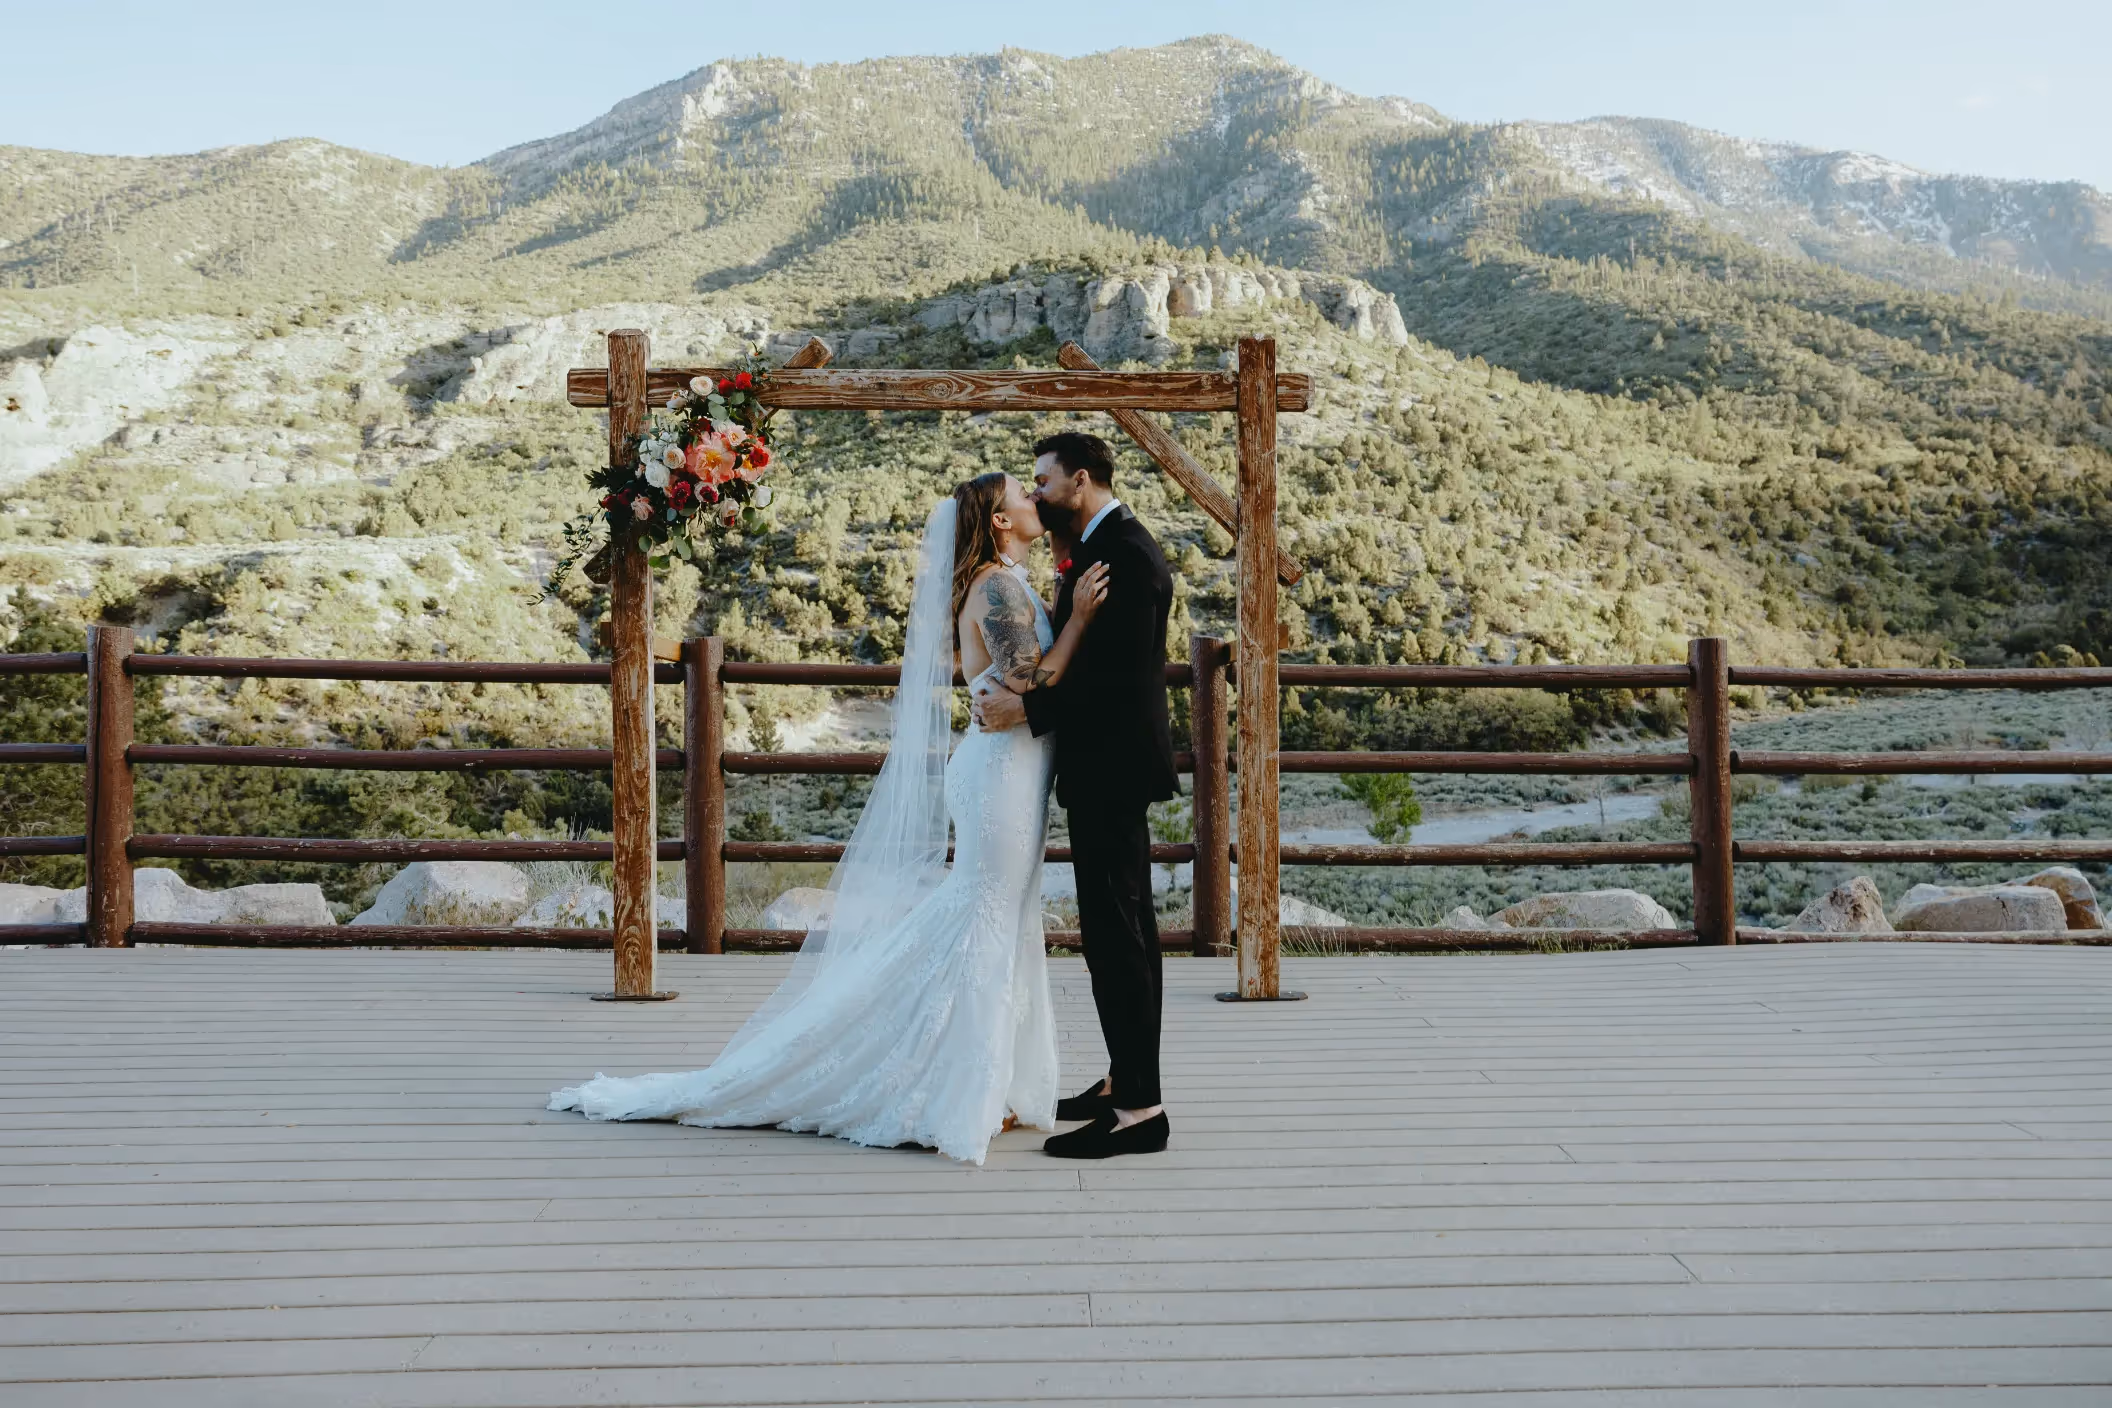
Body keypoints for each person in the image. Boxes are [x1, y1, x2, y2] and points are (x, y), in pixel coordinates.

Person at [549, 472, 1109, 1165]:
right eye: (1023, 492)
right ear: (999, 520)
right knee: (985, 918)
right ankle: (955, 1088)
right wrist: (1078, 620)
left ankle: (994, 1085)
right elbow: (1028, 683)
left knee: (1003, 919)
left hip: (1018, 773)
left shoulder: (1011, 581)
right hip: (1000, 777)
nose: (1035, 498)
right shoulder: (994, 586)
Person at [972, 430, 1178, 1160]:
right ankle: (1126, 1080)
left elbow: (1112, 682)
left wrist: (1026, 710)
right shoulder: (1097, 547)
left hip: (1112, 767)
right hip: (1103, 766)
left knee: (1117, 937)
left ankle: (1139, 1112)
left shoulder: (1123, 555)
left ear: (1081, 479)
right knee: (1122, 931)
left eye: (1043, 480)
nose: (1036, 492)